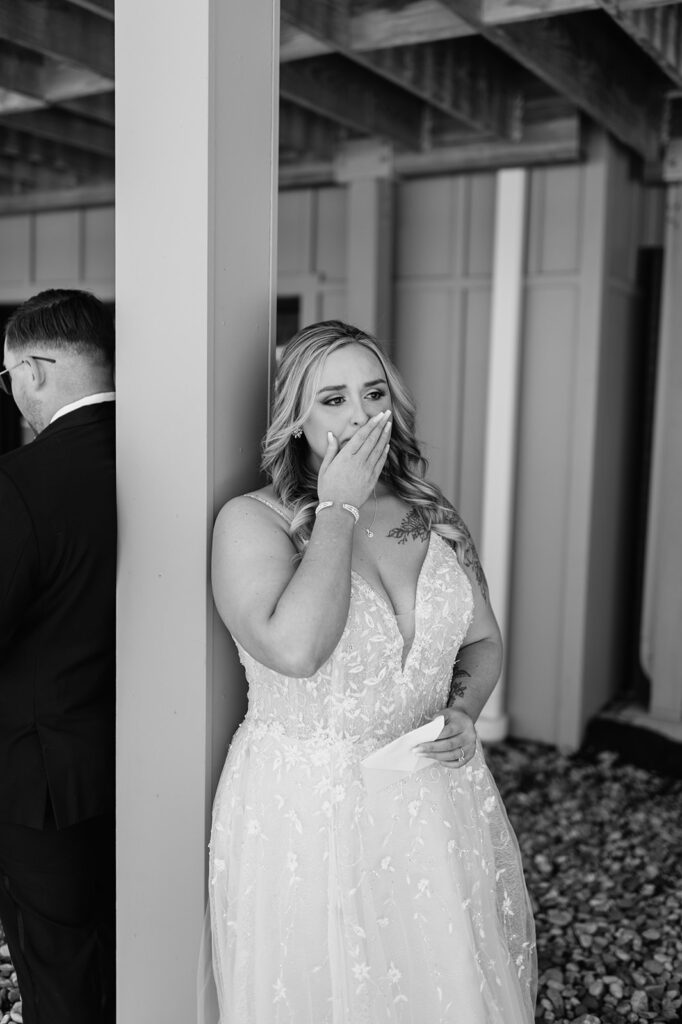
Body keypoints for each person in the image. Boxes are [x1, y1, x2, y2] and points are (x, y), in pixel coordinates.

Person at [209, 320, 536, 1022]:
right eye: (332, 398)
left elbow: (481, 641)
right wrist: (339, 508)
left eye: (372, 392)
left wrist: (463, 711)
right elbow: (296, 651)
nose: (360, 416)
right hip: (308, 811)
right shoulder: (251, 522)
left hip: (428, 798)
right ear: (294, 418)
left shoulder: (428, 510)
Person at [0, 289, 116, 1024]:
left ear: (37, 371)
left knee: (59, 972)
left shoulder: (21, 480)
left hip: (41, 780)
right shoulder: (179, 455)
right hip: (156, 759)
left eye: (7, 377)